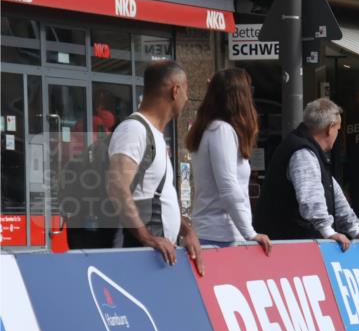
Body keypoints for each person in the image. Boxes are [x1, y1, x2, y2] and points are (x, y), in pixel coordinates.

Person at [107, 60, 203, 276]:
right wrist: (147, 237)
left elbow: (156, 193)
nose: (187, 98)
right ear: (175, 90)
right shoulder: (134, 130)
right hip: (139, 258)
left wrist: (186, 231)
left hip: (155, 256)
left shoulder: (154, 135)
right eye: (186, 90)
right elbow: (117, 188)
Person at [254, 98, 359, 251]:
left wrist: (355, 230)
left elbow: (334, 194)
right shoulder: (302, 152)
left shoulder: (312, 152)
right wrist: (328, 232)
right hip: (285, 247)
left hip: (288, 245)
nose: (337, 135)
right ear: (330, 128)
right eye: (338, 130)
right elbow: (311, 199)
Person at [186, 68, 271, 254]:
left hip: (218, 233)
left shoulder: (210, 129)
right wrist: (250, 233)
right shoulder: (221, 130)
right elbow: (227, 186)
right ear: (240, 96)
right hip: (221, 235)